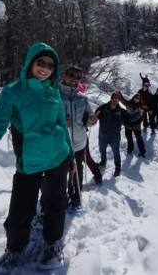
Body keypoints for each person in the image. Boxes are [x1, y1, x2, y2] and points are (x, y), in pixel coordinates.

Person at [0, 42, 73, 271]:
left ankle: (52, 244)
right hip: (30, 163)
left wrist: (72, 159)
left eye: (50, 65)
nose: (45, 68)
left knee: (56, 204)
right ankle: (14, 249)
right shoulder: (13, 92)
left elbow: (61, 124)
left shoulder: (54, 91)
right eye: (41, 62)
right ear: (31, 62)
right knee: (20, 210)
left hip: (59, 157)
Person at [60, 65, 99, 212]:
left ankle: (76, 196)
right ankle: (60, 198)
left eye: (78, 77)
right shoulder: (55, 95)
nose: (74, 79)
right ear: (63, 76)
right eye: (71, 75)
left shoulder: (83, 99)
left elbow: (88, 118)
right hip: (60, 145)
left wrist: (92, 120)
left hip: (79, 144)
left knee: (78, 171)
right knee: (59, 174)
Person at [95, 92, 126, 177]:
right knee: (102, 150)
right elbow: (96, 114)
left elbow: (129, 120)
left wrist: (139, 115)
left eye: (117, 98)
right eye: (113, 98)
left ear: (118, 100)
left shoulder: (122, 112)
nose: (115, 100)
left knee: (116, 153)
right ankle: (103, 162)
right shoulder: (103, 107)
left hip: (114, 138)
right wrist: (95, 116)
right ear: (111, 98)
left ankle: (118, 168)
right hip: (103, 135)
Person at [118, 92, 146, 157]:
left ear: (140, 100)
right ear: (134, 97)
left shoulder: (141, 107)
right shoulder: (129, 103)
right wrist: (119, 93)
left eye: (138, 98)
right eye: (136, 98)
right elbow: (122, 100)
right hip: (128, 124)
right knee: (129, 137)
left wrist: (136, 121)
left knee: (139, 138)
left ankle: (142, 151)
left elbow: (143, 117)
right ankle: (130, 148)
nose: (136, 99)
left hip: (136, 126)